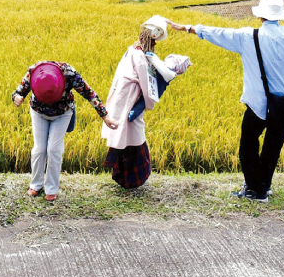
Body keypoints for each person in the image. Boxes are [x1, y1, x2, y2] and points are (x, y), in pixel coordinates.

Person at [166, 0, 284, 202]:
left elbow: (217, 33)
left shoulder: (247, 36)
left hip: (258, 105)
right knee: (272, 148)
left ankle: (256, 190)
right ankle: (263, 185)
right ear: (280, 16)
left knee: (248, 146)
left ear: (261, 15)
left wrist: (187, 28)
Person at [13, 61, 117, 201]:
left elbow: (89, 93)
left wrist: (105, 116)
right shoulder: (33, 71)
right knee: (39, 149)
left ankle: (51, 188)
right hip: (38, 112)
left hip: (62, 113)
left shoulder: (69, 74)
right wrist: (17, 98)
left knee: (54, 149)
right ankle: (35, 185)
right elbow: (18, 92)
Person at [102, 15, 171, 189]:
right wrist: (149, 104)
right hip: (129, 101)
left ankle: (123, 177)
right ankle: (131, 179)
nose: (155, 45)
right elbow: (147, 86)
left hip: (121, 99)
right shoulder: (140, 56)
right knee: (133, 137)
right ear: (151, 39)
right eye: (154, 41)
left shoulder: (131, 50)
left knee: (125, 137)